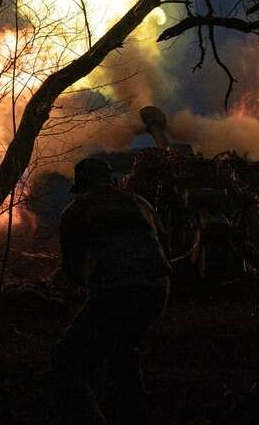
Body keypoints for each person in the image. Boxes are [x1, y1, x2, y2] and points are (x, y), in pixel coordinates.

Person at [49, 157, 171, 424]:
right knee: (123, 350)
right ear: (111, 179)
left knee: (67, 360)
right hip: (157, 290)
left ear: (83, 184)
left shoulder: (77, 210)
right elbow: (165, 247)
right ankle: (135, 415)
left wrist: (80, 289)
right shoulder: (141, 203)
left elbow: (72, 267)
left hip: (113, 291)